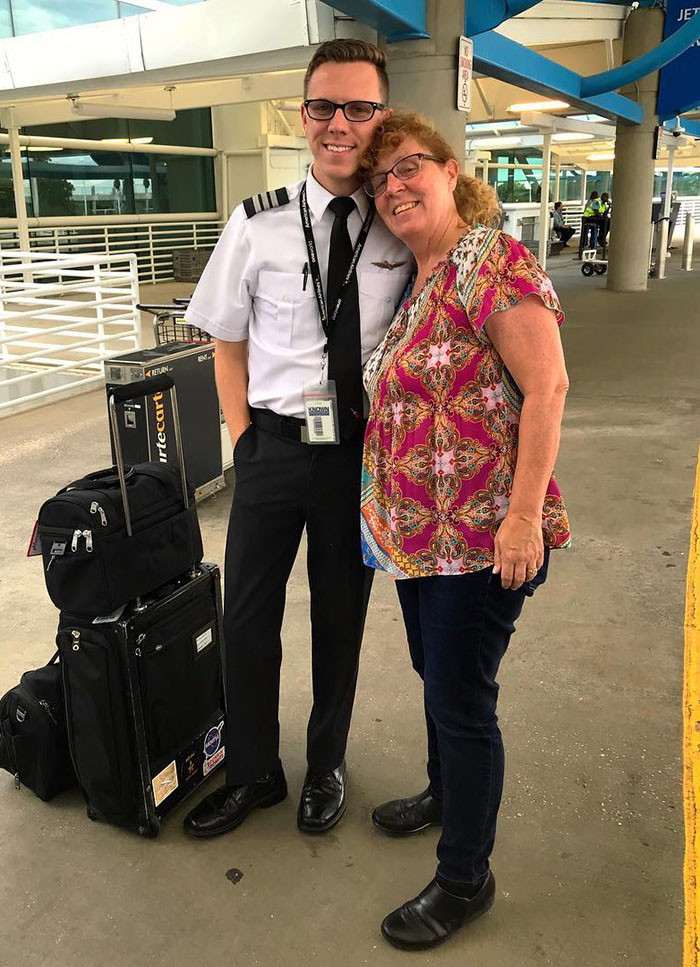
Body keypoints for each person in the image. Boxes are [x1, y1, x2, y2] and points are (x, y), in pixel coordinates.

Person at [181, 40, 411, 839]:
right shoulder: (258, 223)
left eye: (358, 107)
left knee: (339, 619)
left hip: (356, 456)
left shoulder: (401, 224)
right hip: (273, 449)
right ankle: (254, 772)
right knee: (246, 619)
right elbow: (227, 339)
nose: (338, 124)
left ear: (381, 117)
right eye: (323, 107)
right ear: (302, 113)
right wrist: (242, 439)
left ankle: (325, 765)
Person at [359, 112, 571, 951]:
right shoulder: (425, 277)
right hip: (420, 540)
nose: (394, 188)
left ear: (452, 171)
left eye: (409, 167)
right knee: (435, 678)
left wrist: (522, 519)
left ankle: (464, 877)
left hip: (482, 540)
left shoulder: (492, 260)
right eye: (380, 182)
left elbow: (548, 388)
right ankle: (446, 793)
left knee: (461, 698)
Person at [579, 190, 604, 255]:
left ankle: (584, 245)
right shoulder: (596, 202)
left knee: (585, 232)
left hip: (586, 218)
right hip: (589, 218)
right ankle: (593, 245)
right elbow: (596, 211)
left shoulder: (590, 201)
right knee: (594, 230)